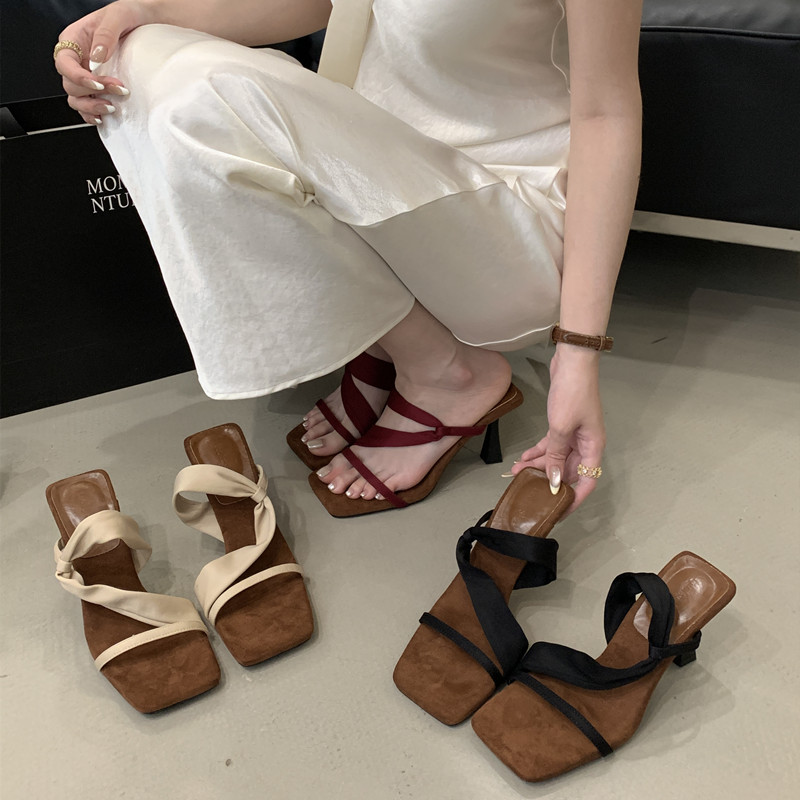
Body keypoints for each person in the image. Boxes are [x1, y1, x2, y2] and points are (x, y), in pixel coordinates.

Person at [53, 0, 642, 515]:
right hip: (387, 174)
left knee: (204, 104)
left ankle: (448, 373)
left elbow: (606, 114)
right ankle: (397, 340)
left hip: (509, 227)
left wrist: (578, 356)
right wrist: (146, 13)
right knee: (137, 54)